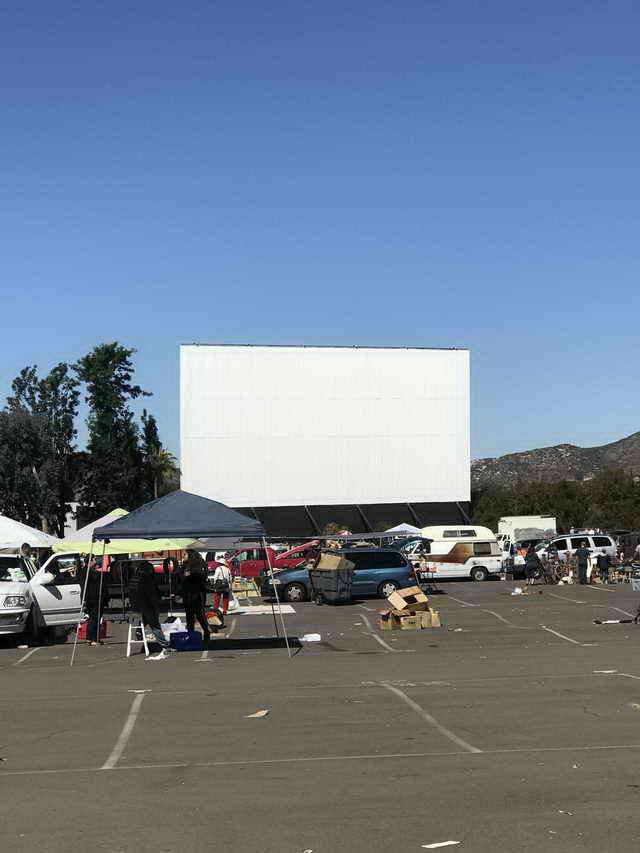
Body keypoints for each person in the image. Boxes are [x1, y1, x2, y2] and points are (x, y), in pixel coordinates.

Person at [128, 561, 170, 651]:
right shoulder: (148, 580)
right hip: (148, 605)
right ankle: (165, 645)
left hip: (136, 606)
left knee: (148, 620)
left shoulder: (135, 578)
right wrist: (160, 599)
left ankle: (139, 630)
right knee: (155, 625)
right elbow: (153, 594)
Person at [80, 556, 110, 645]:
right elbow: (95, 578)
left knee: (95, 618)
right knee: (94, 618)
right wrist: (105, 573)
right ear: (89, 561)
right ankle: (92, 638)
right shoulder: (87, 571)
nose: (95, 562)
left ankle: (94, 638)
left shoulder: (89, 571)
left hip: (94, 598)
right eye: (93, 560)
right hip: (93, 599)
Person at [180, 559, 211, 644]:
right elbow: (181, 579)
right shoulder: (184, 567)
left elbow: (202, 579)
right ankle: (191, 635)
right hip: (188, 595)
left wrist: (190, 575)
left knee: (199, 616)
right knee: (190, 617)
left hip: (196, 595)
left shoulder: (198, 566)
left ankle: (206, 632)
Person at [212, 561, 233, 626]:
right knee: (225, 597)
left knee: (217, 597)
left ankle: (216, 609)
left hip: (219, 584)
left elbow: (215, 577)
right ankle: (225, 610)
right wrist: (230, 586)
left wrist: (214, 583)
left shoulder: (218, 569)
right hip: (226, 585)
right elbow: (230, 578)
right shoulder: (228, 569)